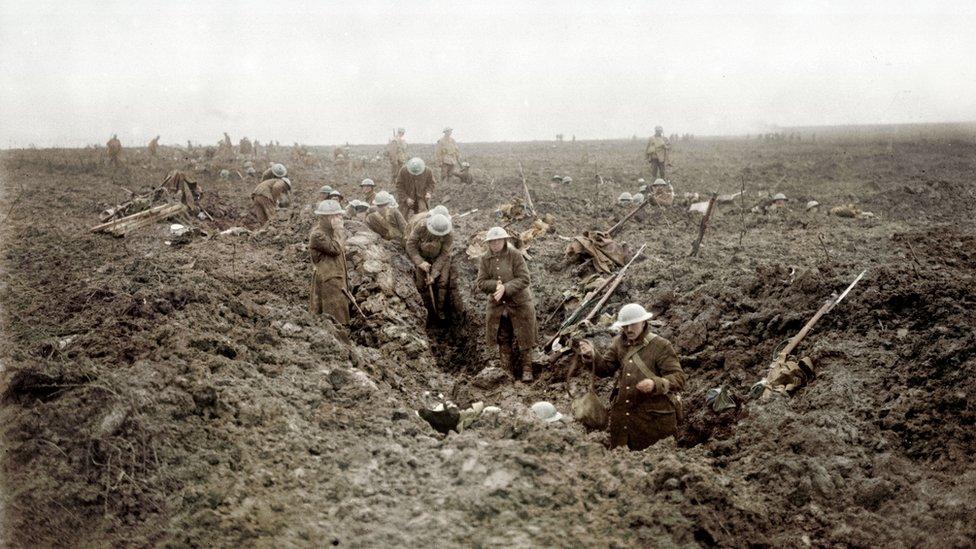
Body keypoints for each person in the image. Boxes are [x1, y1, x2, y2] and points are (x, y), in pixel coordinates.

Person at [578, 303, 685, 451]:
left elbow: (679, 377)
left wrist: (655, 384)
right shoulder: (618, 343)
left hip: (652, 422)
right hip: (623, 419)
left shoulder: (661, 345)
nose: (628, 330)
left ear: (643, 322)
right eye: (625, 326)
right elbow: (606, 369)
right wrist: (592, 356)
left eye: (633, 325)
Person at [475, 227, 538, 382]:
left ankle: (527, 369)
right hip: (498, 305)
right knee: (503, 337)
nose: (495, 244)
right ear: (488, 243)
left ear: (504, 240)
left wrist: (506, 287)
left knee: (525, 336)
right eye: (492, 241)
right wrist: (495, 286)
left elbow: (524, 279)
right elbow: (481, 282)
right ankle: (506, 371)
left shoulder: (515, 255)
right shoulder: (484, 259)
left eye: (498, 240)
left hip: (519, 302)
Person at [406, 213, 455, 320]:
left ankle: (440, 310)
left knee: (442, 283)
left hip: (441, 258)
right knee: (420, 285)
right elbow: (410, 244)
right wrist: (420, 262)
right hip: (423, 256)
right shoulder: (421, 226)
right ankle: (425, 312)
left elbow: (444, 255)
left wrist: (433, 274)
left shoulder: (449, 235)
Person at [308, 200, 350, 324]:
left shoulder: (331, 232)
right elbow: (336, 249)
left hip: (336, 280)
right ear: (326, 217)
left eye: (339, 215)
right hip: (328, 282)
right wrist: (339, 229)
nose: (339, 219)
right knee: (333, 319)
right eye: (336, 215)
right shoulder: (318, 235)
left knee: (340, 317)